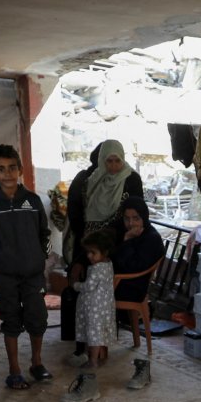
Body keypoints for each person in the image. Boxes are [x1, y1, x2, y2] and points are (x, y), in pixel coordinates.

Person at [0, 143, 52, 390]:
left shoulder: (33, 200)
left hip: (33, 273)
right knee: (11, 319)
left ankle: (36, 363)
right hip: (4, 273)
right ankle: (14, 370)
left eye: (12, 168)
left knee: (37, 317)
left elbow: (44, 233)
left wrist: (40, 256)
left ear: (20, 169)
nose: (8, 173)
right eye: (1, 169)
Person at [63, 139, 143, 362]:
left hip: (116, 246)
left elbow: (134, 214)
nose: (114, 166)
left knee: (99, 296)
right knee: (78, 291)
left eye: (117, 160)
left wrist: (110, 239)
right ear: (101, 160)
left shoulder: (131, 180)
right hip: (89, 245)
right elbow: (78, 214)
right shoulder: (91, 180)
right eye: (109, 161)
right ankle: (81, 343)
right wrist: (82, 254)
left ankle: (99, 346)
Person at [112, 198, 163, 391]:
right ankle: (86, 347)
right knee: (80, 292)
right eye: (127, 218)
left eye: (135, 218)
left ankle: (92, 350)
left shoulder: (151, 238)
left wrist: (126, 242)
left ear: (144, 218)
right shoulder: (129, 234)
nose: (131, 223)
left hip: (133, 286)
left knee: (91, 297)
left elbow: (130, 265)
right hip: (122, 280)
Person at [63, 231, 116, 402]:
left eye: (93, 252)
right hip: (101, 305)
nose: (89, 256)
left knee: (93, 333)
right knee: (96, 331)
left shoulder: (97, 269)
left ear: (104, 252)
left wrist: (75, 285)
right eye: (88, 252)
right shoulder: (108, 264)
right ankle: (90, 356)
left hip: (95, 306)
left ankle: (92, 360)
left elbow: (89, 286)